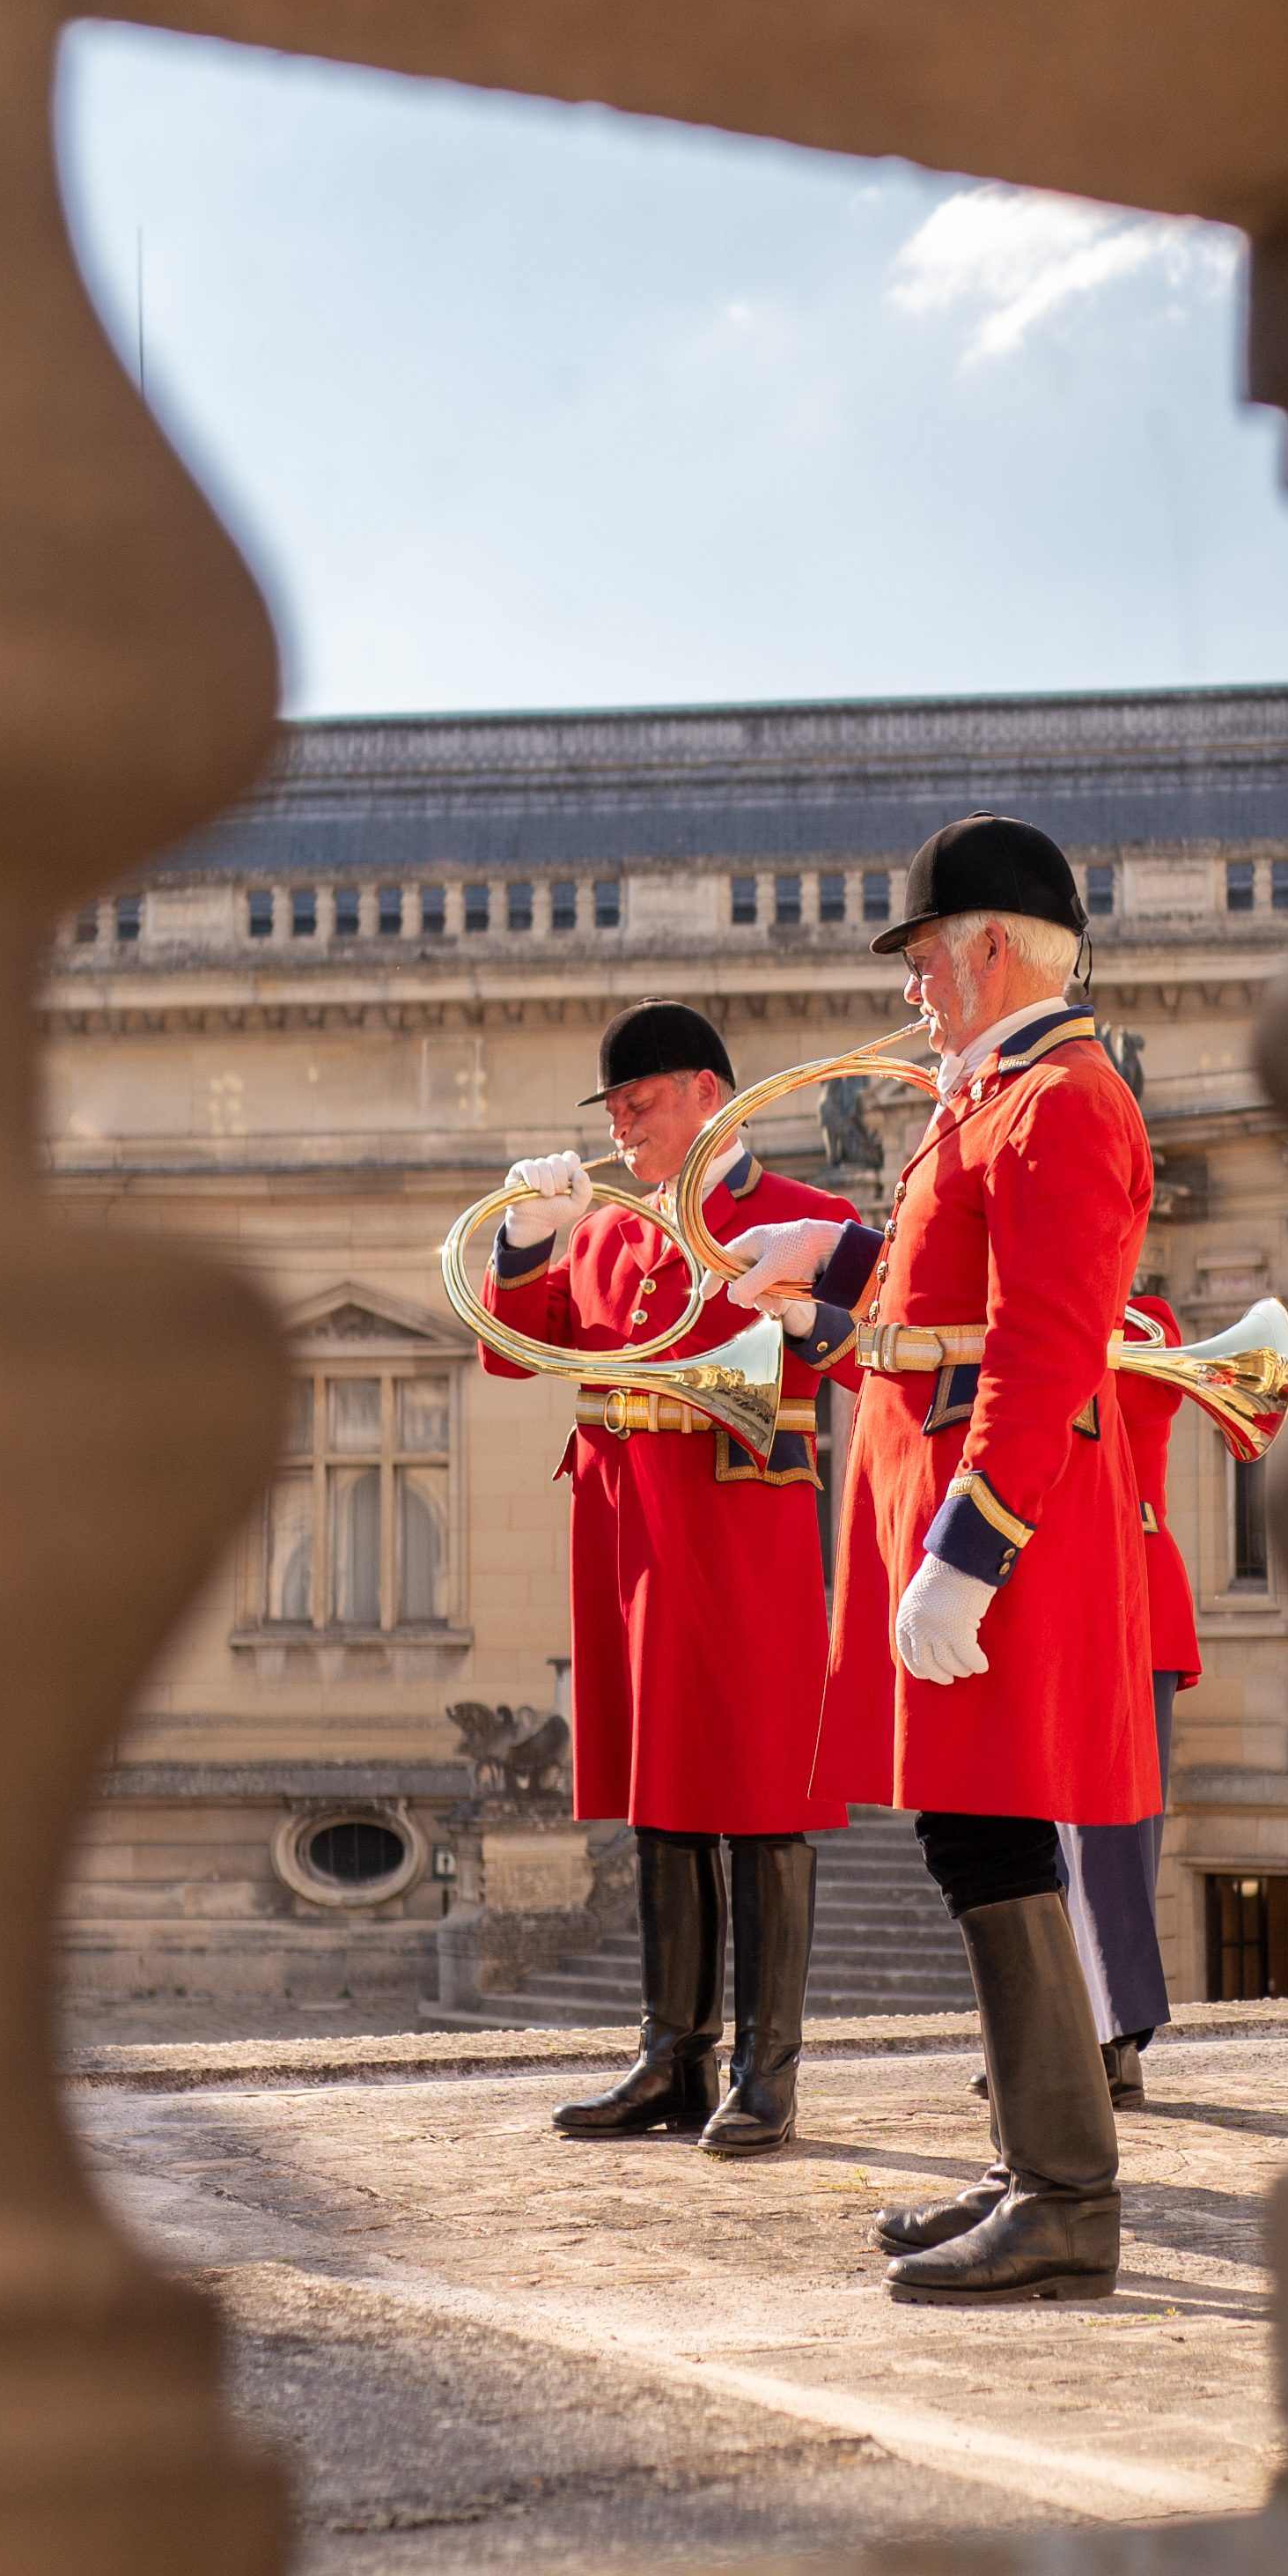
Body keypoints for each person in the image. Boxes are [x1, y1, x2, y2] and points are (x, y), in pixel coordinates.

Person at [727, 817, 1157, 2304]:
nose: (911, 987)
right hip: (938, 1493)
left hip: (998, 1518)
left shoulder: (1064, 1102)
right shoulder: (995, 1101)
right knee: (975, 1831)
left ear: (985, 946)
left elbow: (1039, 1351)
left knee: (985, 1834)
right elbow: (935, 1290)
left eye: (920, 957)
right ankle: (1032, 2164)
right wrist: (823, 1268)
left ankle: (1064, 2194)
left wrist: (969, 1552)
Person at [479, 1000, 863, 2155]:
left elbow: (876, 1324)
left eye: (640, 1106)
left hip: (745, 1526)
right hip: (627, 1532)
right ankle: (670, 2056)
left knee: (757, 1796)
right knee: (660, 1798)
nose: (625, 1131)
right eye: (615, 1111)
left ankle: (767, 2067)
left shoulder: (800, 1215)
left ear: (705, 1092)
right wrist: (529, 1235)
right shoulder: (606, 1230)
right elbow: (509, 1346)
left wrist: (809, 1299)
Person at [1056, 1292, 1203, 2108]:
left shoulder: (1143, 1321)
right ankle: (1055, 2031)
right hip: (1046, 1592)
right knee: (1041, 1833)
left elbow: (1134, 1397)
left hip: (1131, 1593)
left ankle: (1117, 2042)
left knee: (1115, 1830)